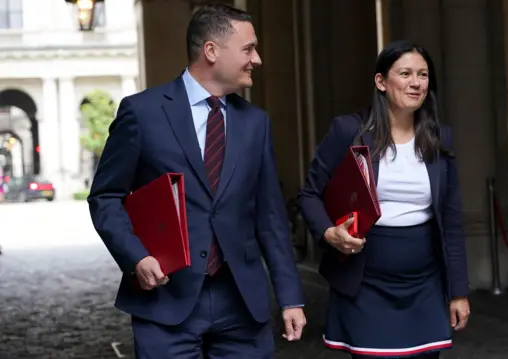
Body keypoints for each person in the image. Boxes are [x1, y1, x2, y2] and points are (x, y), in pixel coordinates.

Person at [88, 4, 306, 358]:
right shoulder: (141, 112)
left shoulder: (256, 123)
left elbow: (270, 217)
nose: (258, 59)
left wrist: (290, 298)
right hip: (164, 300)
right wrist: (137, 257)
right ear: (211, 51)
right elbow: (105, 197)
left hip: (241, 304)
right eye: (249, 49)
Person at [298, 40, 471, 359]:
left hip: (426, 285)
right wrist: (328, 233)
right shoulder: (348, 131)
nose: (416, 83)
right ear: (381, 81)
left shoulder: (439, 138)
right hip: (365, 284)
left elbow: (451, 221)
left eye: (423, 74)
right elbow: (309, 194)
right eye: (405, 73)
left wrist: (458, 291)